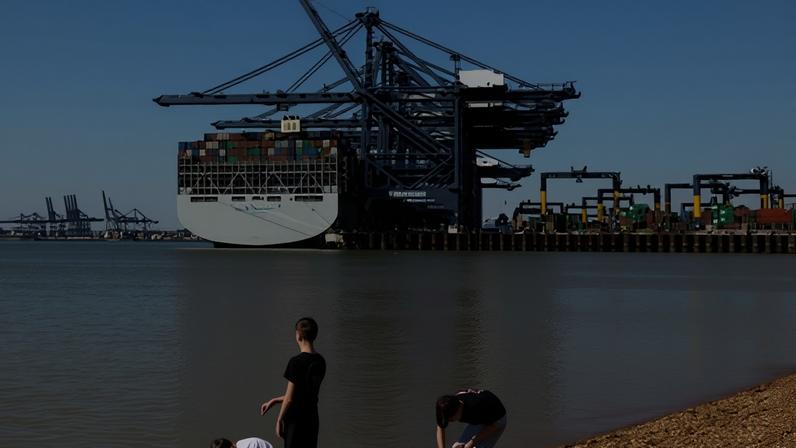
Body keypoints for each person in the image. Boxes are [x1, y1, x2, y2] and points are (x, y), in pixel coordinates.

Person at [261, 317, 326, 448]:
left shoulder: (296, 362)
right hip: (312, 418)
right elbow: (304, 394)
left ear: (298, 335)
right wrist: (275, 400)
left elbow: (290, 398)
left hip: (295, 420)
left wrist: (279, 419)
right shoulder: (321, 361)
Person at [435, 389, 507, 448]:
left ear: (459, 409)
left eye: (452, 419)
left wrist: (470, 444)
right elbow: (441, 426)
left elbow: (494, 426)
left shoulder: (475, 407)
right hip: (478, 418)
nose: (450, 421)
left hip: (497, 420)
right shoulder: (446, 406)